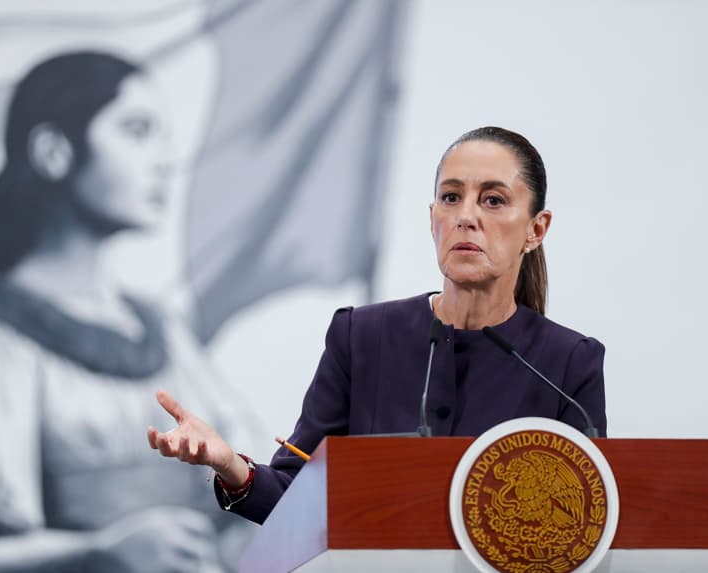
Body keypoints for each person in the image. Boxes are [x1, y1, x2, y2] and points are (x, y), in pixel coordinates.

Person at [148, 126, 607, 525]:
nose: (466, 217)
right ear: (433, 219)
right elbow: (297, 496)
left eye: (493, 199)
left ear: (537, 229)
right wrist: (231, 464)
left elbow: (582, 523)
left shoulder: (568, 364)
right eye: (451, 197)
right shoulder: (362, 337)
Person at [0, 51, 253, 572]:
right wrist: (100, 553)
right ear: (54, 151)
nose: (165, 159)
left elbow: (248, 483)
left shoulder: (159, 330)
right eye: (137, 131)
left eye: (163, 135)